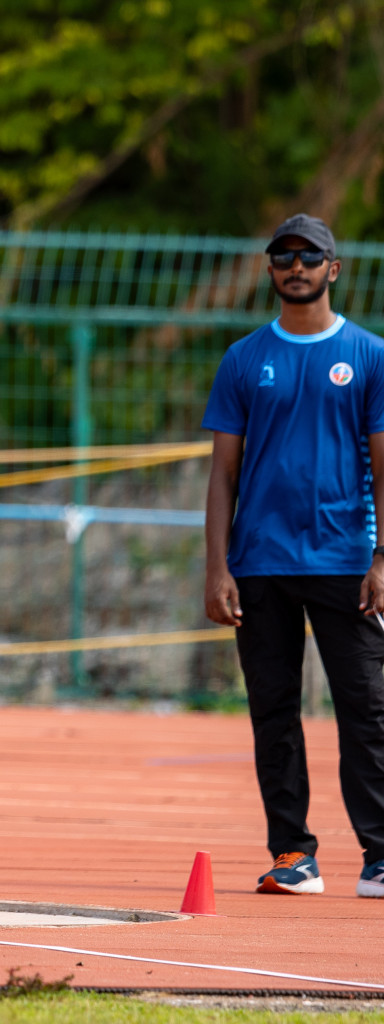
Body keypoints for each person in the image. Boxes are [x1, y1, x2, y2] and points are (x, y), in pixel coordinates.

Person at [203, 213, 384, 899]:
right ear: (271, 269)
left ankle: (381, 856)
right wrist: (217, 566)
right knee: (272, 710)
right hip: (260, 564)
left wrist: (382, 556)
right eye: (284, 255)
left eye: (311, 256)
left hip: (346, 561)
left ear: (334, 269)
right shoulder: (245, 359)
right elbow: (223, 473)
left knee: (367, 709)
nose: (297, 265)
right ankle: (292, 854)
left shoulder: (370, 356)